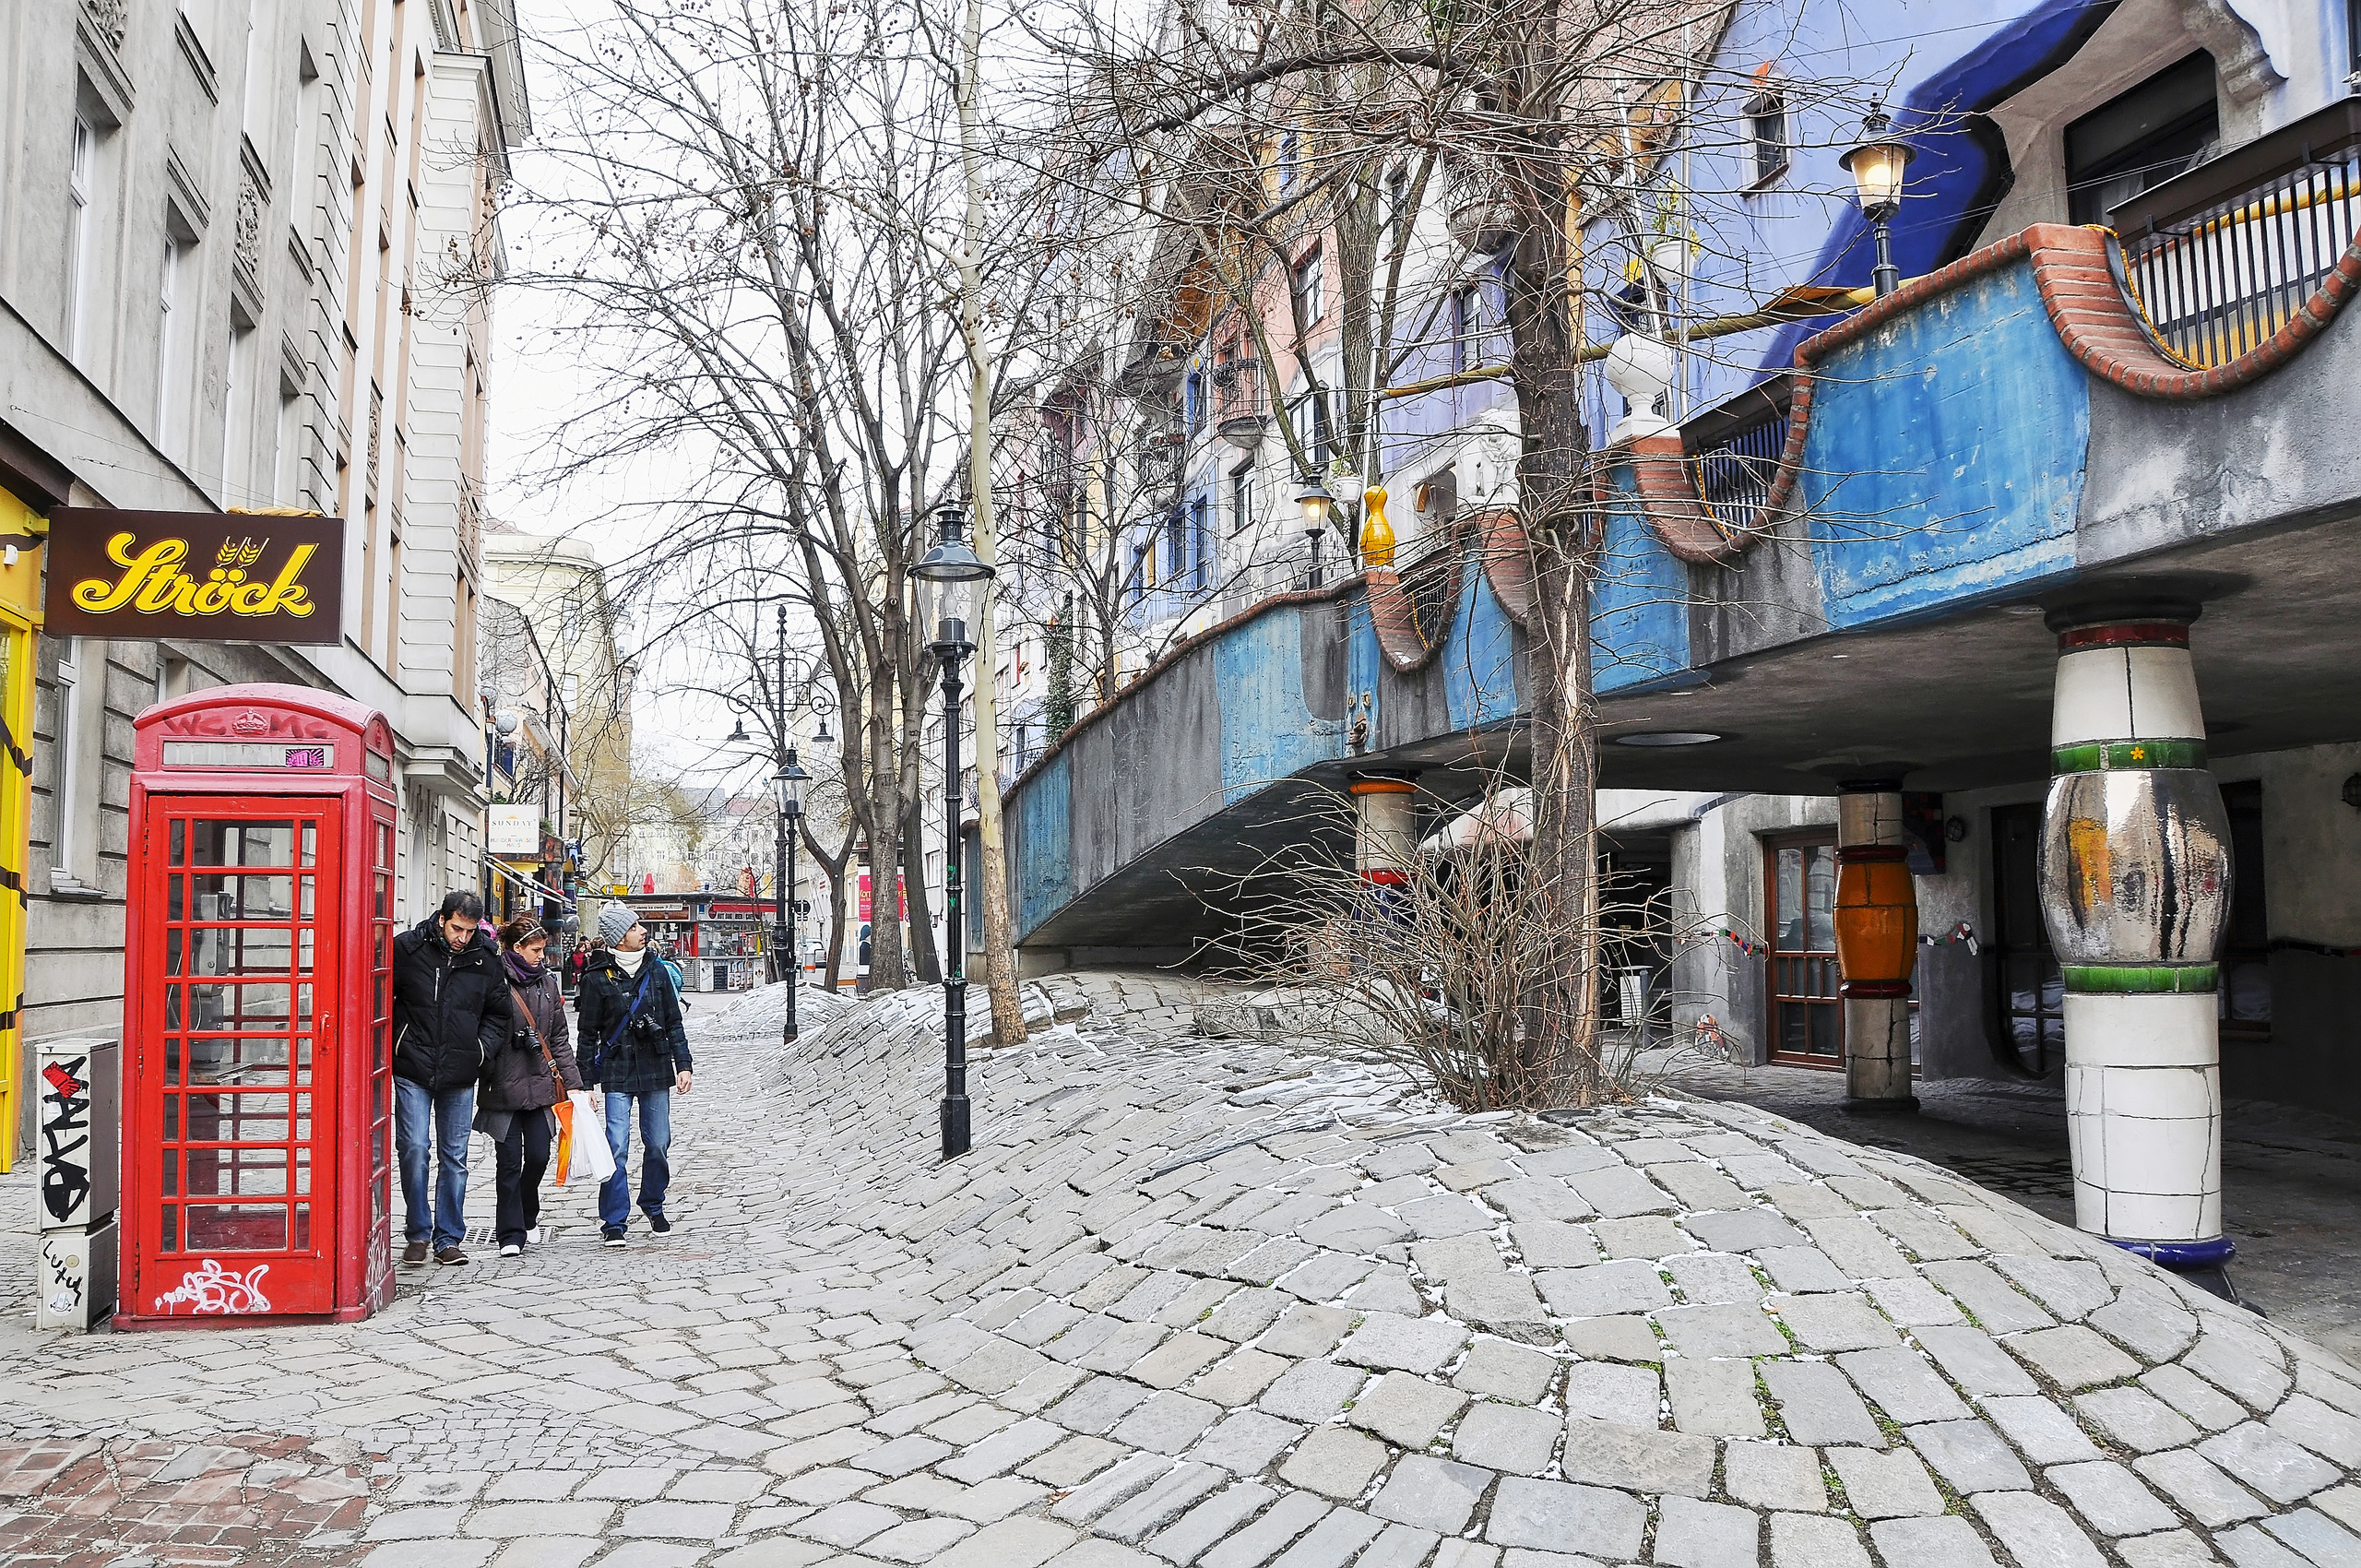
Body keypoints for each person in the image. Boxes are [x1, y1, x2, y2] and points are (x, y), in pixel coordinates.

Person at [391, 891, 511, 1265]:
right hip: (412, 1065)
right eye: (457, 928)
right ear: (442, 919)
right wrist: (395, 1042)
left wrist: (479, 1051)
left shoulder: (485, 958)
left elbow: (499, 1013)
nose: (463, 937)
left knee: (454, 1158)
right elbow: (380, 999)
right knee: (414, 1149)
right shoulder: (406, 950)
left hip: (460, 1070)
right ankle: (417, 1231)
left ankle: (448, 1238)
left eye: (470, 930)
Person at [576, 904, 694, 1247]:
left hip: (656, 1069)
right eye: (633, 927)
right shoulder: (597, 977)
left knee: (658, 1142)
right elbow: (586, 1034)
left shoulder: (657, 971)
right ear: (619, 937)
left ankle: (652, 1203)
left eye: (639, 925)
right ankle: (614, 1219)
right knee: (616, 1146)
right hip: (616, 1070)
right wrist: (585, 1085)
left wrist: (683, 1064)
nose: (642, 930)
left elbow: (674, 1021)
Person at [482, 915, 584, 1258]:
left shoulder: (547, 984)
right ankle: (510, 1233)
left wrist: (574, 1085)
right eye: (536, 950)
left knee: (539, 1156)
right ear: (517, 948)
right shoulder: (494, 981)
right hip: (505, 1086)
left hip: (541, 1083)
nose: (543, 956)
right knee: (508, 1162)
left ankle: (528, 1211)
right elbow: (483, 1029)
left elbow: (558, 1037)